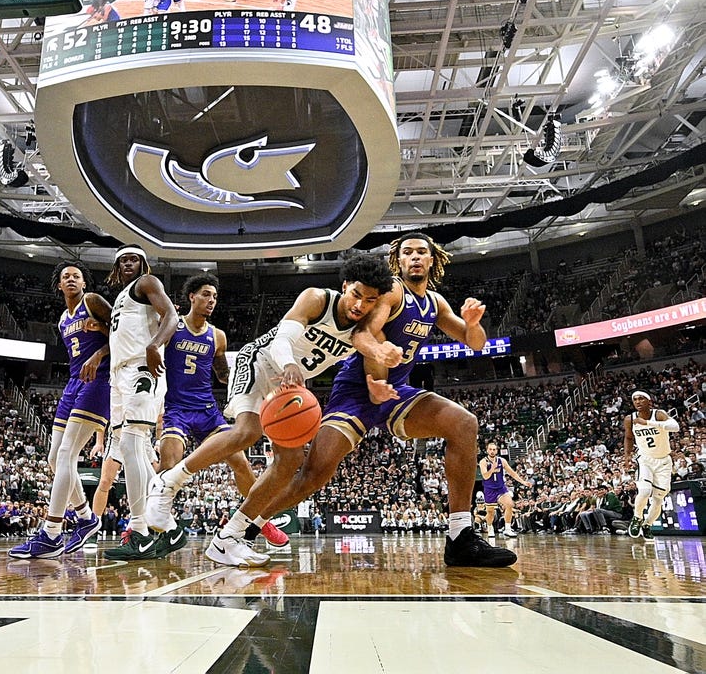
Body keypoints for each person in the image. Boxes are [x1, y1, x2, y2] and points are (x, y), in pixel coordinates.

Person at [257, 233, 518, 568]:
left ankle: (460, 536)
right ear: (398, 260)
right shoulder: (393, 291)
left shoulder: (436, 303)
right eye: (407, 252)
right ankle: (249, 522)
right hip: (356, 390)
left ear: (432, 259)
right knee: (313, 475)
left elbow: (475, 343)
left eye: (422, 252)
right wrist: (379, 356)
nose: (415, 257)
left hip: (394, 393)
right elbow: (362, 333)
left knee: (464, 424)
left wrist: (472, 324)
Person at [146, 254, 397, 567]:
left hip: (289, 386)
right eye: (356, 295)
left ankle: (229, 538)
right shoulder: (317, 299)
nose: (360, 305)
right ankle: (168, 481)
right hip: (261, 362)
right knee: (247, 431)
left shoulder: (362, 330)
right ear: (345, 286)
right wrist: (290, 364)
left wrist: (378, 382)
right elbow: (281, 340)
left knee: (290, 461)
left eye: (369, 300)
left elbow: (373, 365)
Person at [157, 273, 287, 555]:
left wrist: (251, 381)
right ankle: (154, 524)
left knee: (240, 463)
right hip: (176, 409)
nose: (211, 301)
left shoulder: (218, 336)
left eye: (214, 297)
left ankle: (259, 521)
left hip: (207, 410)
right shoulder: (171, 327)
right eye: (205, 294)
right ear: (191, 296)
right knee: (169, 463)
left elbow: (222, 374)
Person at [10, 261, 112, 558]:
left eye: (76, 276)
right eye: (65, 276)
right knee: (55, 459)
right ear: (58, 285)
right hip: (73, 383)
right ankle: (85, 517)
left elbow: (125, 336)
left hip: (99, 380)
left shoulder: (92, 302)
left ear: (84, 283)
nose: (71, 279)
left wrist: (100, 351)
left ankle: (51, 532)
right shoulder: (62, 320)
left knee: (68, 454)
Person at [103, 245, 179, 560]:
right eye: (123, 261)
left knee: (133, 445)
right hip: (118, 376)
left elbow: (172, 316)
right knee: (127, 449)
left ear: (143, 263)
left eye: (133, 259)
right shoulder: (120, 297)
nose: (128, 264)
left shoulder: (146, 284)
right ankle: (169, 527)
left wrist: (155, 344)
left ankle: (140, 531)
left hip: (141, 370)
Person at [623, 390, 679, 540]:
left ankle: (647, 524)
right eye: (635, 399)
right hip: (645, 459)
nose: (638, 401)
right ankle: (637, 518)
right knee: (645, 490)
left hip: (664, 461)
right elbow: (628, 438)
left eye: (641, 398)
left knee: (658, 498)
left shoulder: (659, 414)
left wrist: (647, 423)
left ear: (649, 401)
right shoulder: (630, 419)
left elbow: (675, 427)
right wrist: (627, 456)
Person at [478, 441, 531, 537]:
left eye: (494, 449)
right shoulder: (483, 462)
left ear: (497, 450)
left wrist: (523, 482)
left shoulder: (502, 461)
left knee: (510, 504)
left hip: (500, 487)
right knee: (490, 512)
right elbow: (485, 476)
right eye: (490, 449)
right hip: (489, 489)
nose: (492, 451)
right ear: (487, 450)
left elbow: (512, 473)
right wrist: (492, 469)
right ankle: (490, 527)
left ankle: (507, 528)